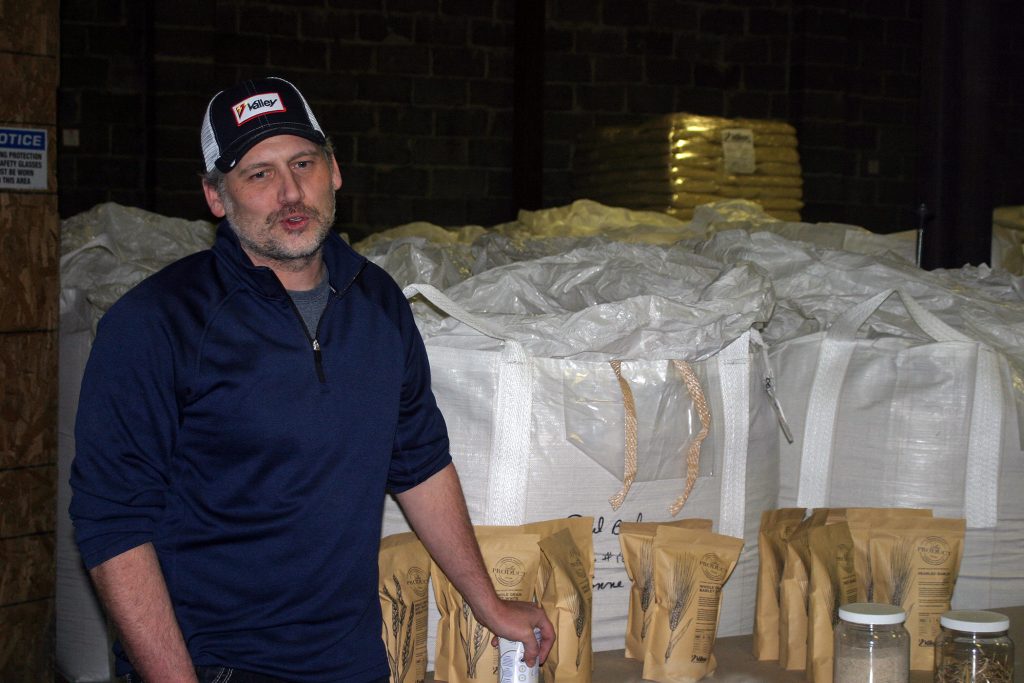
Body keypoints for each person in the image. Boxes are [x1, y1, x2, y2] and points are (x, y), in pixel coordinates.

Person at [69, 76, 554, 683]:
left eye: (304, 163)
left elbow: (420, 462)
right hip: (217, 666)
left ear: (335, 171)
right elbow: (113, 523)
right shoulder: (155, 324)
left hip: (350, 662)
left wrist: (488, 603)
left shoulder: (378, 304)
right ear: (217, 197)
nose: (291, 192)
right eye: (259, 174)